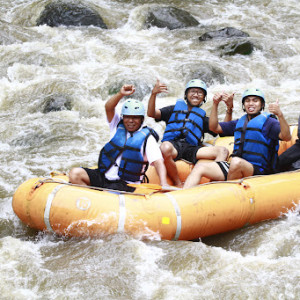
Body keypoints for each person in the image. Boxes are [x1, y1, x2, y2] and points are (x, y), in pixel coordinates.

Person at [183, 88, 291, 188]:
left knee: (236, 162)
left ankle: (225, 193)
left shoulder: (269, 123)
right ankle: (183, 197)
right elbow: (214, 127)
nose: (251, 103)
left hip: (260, 170)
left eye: (255, 100)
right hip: (236, 166)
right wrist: (215, 104)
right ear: (244, 105)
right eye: (247, 101)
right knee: (200, 167)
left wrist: (280, 115)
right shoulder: (240, 122)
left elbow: (286, 137)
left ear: (262, 104)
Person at [69, 84, 168, 192]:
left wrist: (163, 183)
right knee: (75, 174)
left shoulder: (147, 139)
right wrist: (120, 94)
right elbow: (108, 107)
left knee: (109, 194)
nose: (130, 121)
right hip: (104, 177)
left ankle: (99, 199)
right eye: (128, 117)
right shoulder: (116, 125)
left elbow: (158, 162)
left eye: (135, 118)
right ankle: (91, 202)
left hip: (126, 184)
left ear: (141, 120)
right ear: (123, 117)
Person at [147, 79, 230, 187]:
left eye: (200, 93)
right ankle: (177, 182)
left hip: (191, 148)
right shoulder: (173, 109)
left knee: (222, 151)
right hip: (173, 145)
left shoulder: (203, 118)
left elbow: (223, 129)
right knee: (165, 147)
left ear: (204, 98)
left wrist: (228, 108)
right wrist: (153, 94)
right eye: (193, 91)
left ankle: (212, 184)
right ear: (186, 94)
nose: (196, 94)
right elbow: (151, 113)